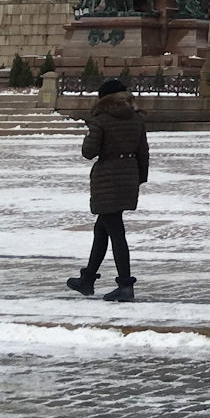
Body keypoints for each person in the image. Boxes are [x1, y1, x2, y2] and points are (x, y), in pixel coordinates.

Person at [66, 77, 149, 303]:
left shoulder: (101, 119)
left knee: (115, 232)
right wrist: (138, 180)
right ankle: (88, 279)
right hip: (128, 176)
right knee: (102, 229)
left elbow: (89, 151)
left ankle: (125, 285)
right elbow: (144, 152)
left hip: (107, 179)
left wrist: (90, 133)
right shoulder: (136, 119)